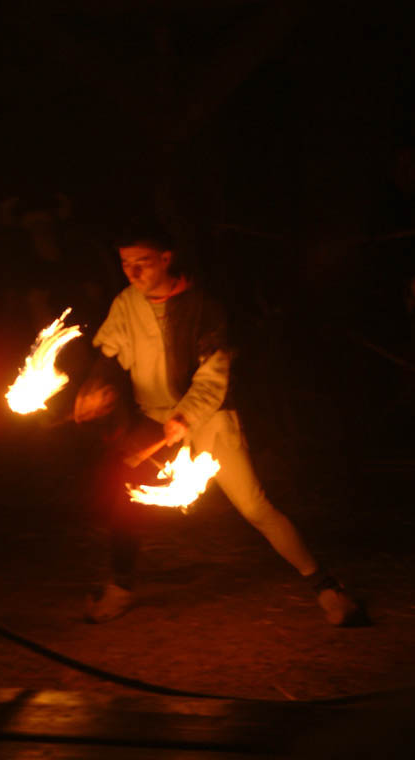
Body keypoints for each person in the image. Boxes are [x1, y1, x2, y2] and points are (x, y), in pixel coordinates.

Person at [74, 216, 361, 626]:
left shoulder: (204, 308)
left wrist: (185, 415)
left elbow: (214, 377)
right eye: (125, 264)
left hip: (208, 417)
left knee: (253, 505)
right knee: (123, 501)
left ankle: (328, 589)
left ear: (166, 258)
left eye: (143, 262)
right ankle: (120, 589)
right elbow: (109, 353)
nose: (133, 272)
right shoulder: (126, 304)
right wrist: (96, 387)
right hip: (152, 418)